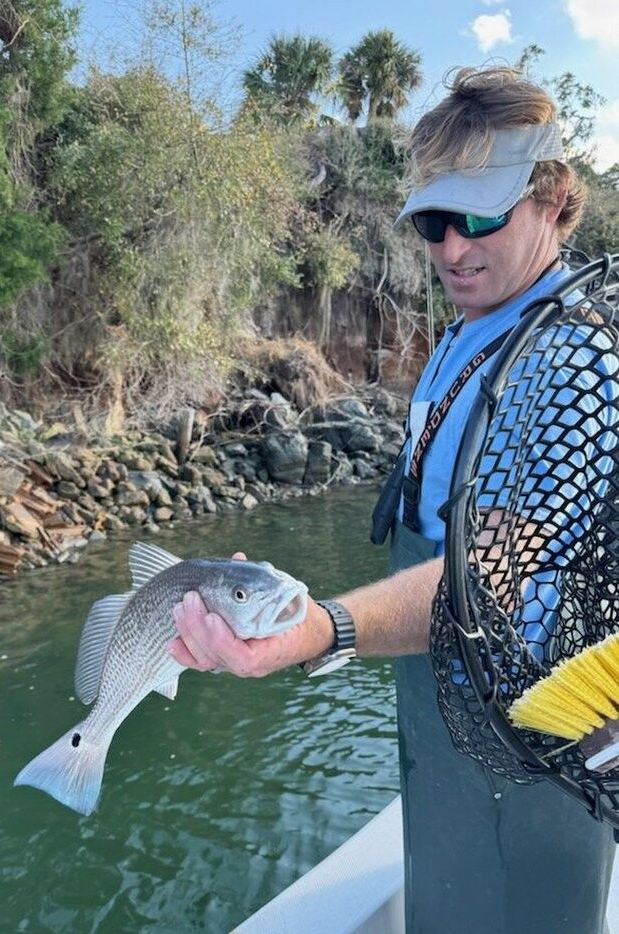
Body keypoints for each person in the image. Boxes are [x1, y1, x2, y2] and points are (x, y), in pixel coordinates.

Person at [167, 66, 617, 934]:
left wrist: (321, 627)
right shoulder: (478, 322)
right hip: (443, 726)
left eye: (482, 214)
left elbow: (497, 578)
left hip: (525, 756)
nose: (453, 247)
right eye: (434, 222)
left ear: (555, 197)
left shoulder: (571, 361)